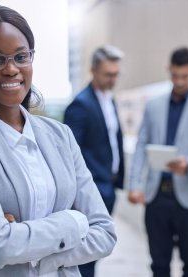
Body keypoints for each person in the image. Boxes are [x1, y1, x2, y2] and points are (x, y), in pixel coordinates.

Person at [0, 6, 116, 277]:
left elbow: (104, 233)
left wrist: (31, 248)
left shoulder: (60, 136)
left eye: (21, 56)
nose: (11, 69)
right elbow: (0, 246)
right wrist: (73, 221)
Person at [128, 47, 188, 277]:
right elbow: (141, 145)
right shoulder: (153, 105)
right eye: (175, 75)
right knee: (158, 265)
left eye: (185, 76)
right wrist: (134, 185)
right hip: (156, 196)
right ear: (169, 70)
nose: (179, 81)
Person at [63, 45, 124, 277]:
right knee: (85, 257)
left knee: (95, 253)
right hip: (92, 190)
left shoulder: (109, 99)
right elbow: (69, 155)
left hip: (109, 186)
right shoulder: (81, 104)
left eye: (116, 74)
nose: (113, 79)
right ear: (93, 71)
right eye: (108, 74)